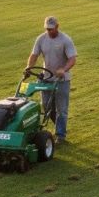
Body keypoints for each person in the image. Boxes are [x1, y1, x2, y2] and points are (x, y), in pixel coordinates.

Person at [26, 16, 77, 144]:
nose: (49, 31)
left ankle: (60, 135)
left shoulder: (65, 40)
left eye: (51, 29)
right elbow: (34, 55)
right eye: (47, 29)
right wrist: (28, 67)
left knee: (61, 109)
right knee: (47, 107)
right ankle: (58, 127)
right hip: (46, 78)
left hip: (62, 80)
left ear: (57, 27)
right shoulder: (41, 39)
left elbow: (72, 59)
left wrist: (63, 69)